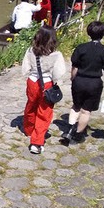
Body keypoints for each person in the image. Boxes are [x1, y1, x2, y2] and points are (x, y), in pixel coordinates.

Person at [62, 21, 104, 144]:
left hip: (79, 80)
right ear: (103, 34)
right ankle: (78, 135)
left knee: (76, 106)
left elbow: (74, 67)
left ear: (88, 32)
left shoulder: (81, 48)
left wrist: (73, 78)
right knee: (86, 111)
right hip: (94, 83)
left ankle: (70, 130)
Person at [21, 26, 66, 154]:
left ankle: (29, 129)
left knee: (31, 105)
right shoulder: (56, 55)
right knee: (44, 112)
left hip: (32, 81)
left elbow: (25, 68)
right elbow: (59, 73)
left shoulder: (30, 51)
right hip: (46, 83)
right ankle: (37, 142)